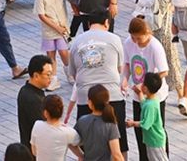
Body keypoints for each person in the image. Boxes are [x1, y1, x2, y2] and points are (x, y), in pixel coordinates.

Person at [69, 12, 127, 155]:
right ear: (106, 22)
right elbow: (120, 68)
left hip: (86, 98)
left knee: (85, 142)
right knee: (119, 143)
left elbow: (73, 73)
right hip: (112, 96)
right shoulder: (114, 39)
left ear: (89, 24)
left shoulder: (76, 41)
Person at [122, 20, 169, 161]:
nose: (136, 41)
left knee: (156, 129)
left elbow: (164, 71)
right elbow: (127, 64)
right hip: (139, 94)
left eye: (139, 38)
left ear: (147, 33)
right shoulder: (128, 43)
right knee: (140, 133)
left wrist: (145, 85)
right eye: (133, 38)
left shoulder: (155, 46)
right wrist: (124, 80)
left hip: (154, 94)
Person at [33, 0, 70, 91]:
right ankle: (53, 79)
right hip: (49, 31)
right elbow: (41, 16)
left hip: (63, 29)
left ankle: (69, 72)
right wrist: (56, 27)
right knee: (50, 55)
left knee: (64, 52)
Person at [74, 84, 124, 161]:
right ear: (107, 101)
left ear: (90, 103)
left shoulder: (82, 121)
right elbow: (116, 154)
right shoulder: (110, 124)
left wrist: (81, 155)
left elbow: (71, 142)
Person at [30, 94, 82, 160]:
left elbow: (34, 152)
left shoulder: (37, 125)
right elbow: (79, 141)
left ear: (45, 113)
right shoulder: (68, 132)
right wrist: (81, 156)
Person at [18, 55, 53, 146]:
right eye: (48, 74)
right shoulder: (33, 99)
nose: (51, 78)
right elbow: (44, 128)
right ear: (36, 76)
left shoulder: (25, 89)